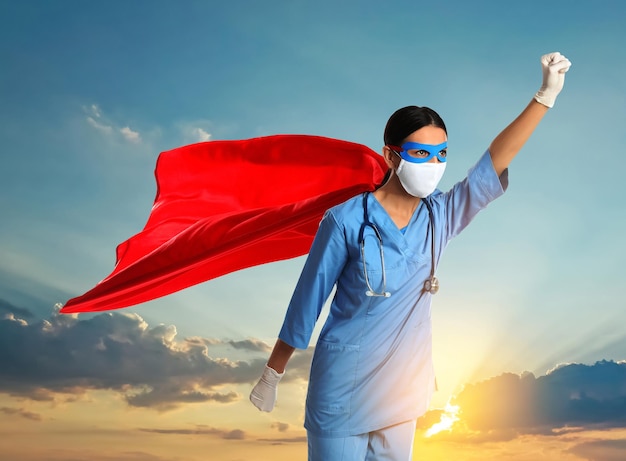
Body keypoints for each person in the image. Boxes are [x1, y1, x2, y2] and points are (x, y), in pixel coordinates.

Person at [249, 52, 571, 460]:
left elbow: (493, 163)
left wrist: (544, 96)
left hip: (402, 396)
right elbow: (307, 302)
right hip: (342, 393)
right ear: (391, 155)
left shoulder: (442, 215)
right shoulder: (346, 220)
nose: (433, 165)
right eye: (421, 153)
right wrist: (272, 372)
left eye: (441, 154)